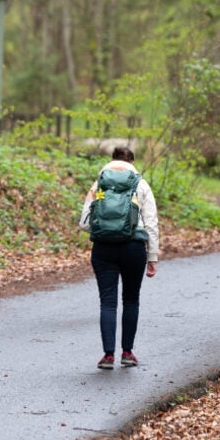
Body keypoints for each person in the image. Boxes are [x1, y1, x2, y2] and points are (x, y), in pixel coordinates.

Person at [79, 146, 159, 370]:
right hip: (133, 248)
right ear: (132, 161)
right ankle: (127, 352)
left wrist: (106, 228)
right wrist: (152, 257)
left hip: (103, 248)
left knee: (108, 302)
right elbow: (151, 223)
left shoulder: (99, 185)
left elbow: (85, 222)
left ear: (111, 160)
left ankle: (107, 356)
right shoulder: (140, 184)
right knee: (131, 299)